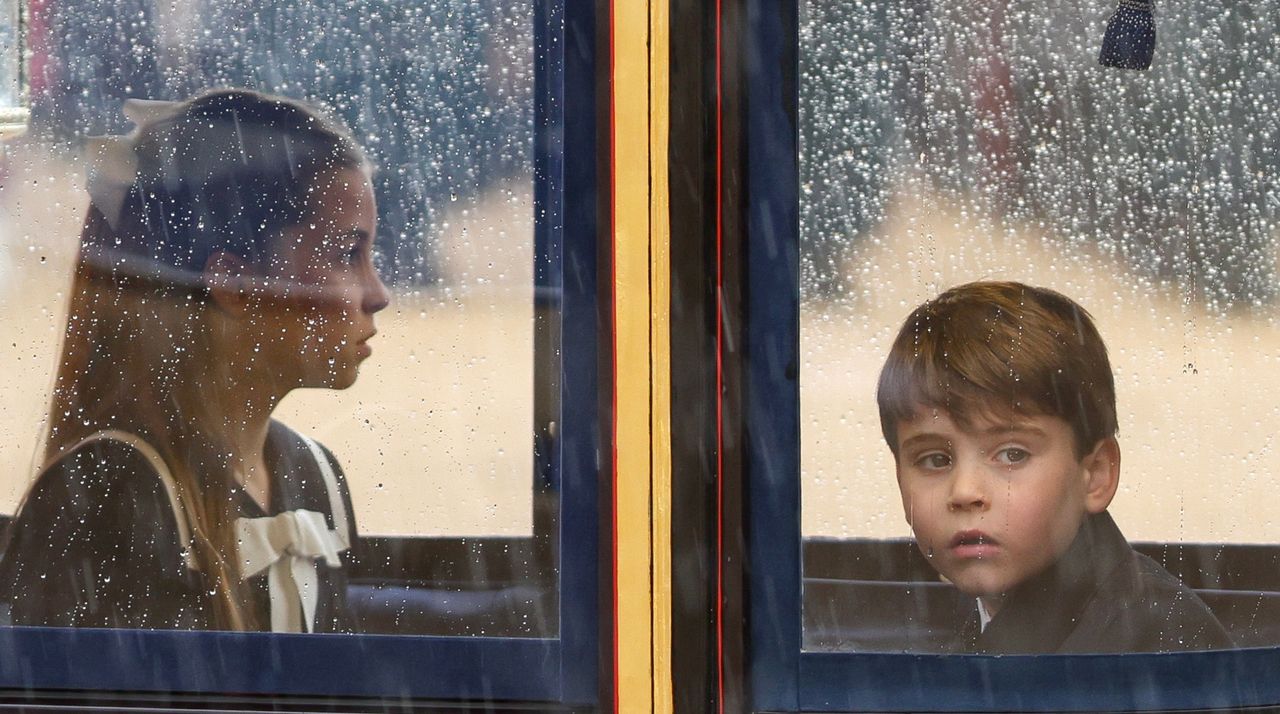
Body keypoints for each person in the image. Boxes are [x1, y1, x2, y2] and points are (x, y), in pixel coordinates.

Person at [0, 89, 390, 632]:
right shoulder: (109, 490)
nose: (377, 293)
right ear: (235, 282)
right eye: (348, 254)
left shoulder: (314, 474)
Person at [876, 281, 1232, 653]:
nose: (965, 491)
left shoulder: (1154, 646)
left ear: (1095, 475)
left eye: (1013, 455)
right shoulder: (1002, 622)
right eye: (935, 460)